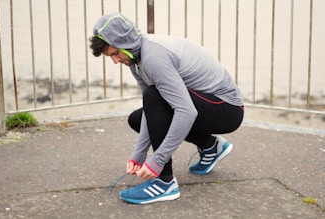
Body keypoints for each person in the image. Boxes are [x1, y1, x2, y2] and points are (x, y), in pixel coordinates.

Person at [90, 12, 244, 204]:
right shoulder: (135, 58)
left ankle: (164, 183)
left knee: (156, 97)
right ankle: (210, 146)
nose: (114, 61)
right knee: (138, 117)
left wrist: (157, 162)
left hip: (226, 108)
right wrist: (139, 153)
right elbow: (151, 107)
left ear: (125, 44)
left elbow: (186, 111)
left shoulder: (154, 58)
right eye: (110, 56)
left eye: (115, 54)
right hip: (205, 104)